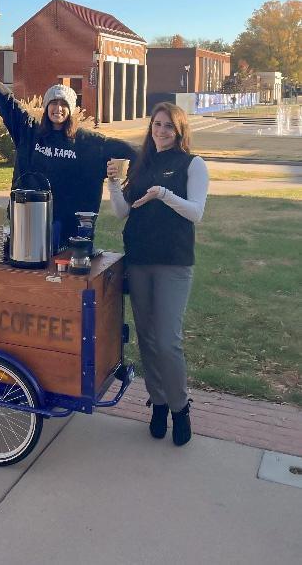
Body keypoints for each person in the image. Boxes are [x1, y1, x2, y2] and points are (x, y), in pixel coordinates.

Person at [107, 102, 209, 446]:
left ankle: (180, 408)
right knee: (148, 341)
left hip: (174, 263)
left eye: (168, 126)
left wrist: (164, 194)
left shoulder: (192, 164)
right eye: (157, 125)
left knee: (168, 341)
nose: (161, 131)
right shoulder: (141, 165)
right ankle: (159, 403)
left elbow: (196, 212)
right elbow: (122, 212)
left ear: (179, 131)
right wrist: (113, 183)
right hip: (139, 261)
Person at [0, 51, 135, 249]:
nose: (58, 109)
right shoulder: (28, 131)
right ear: (46, 107)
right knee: (30, 270)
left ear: (71, 110)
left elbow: (132, 152)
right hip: (29, 218)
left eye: (64, 104)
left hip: (71, 226)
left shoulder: (89, 142)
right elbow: (6, 103)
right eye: (53, 103)